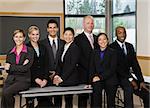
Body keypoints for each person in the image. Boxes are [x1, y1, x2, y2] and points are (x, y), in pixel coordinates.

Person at [109, 26, 150, 108]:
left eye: (124, 32)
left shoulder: (130, 46)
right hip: (117, 76)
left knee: (147, 93)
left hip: (128, 76)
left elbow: (135, 65)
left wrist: (141, 80)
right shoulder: (111, 47)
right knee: (129, 88)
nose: (122, 34)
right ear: (116, 34)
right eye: (119, 33)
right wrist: (130, 79)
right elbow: (117, 67)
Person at [1, 29, 34, 108]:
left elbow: (25, 68)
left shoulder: (29, 51)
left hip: (24, 80)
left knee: (7, 93)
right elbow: (8, 69)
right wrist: (19, 67)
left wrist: (11, 67)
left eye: (20, 37)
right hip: (11, 79)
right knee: (3, 95)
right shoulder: (10, 52)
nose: (18, 39)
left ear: (24, 38)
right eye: (16, 37)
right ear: (13, 38)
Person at [74, 15, 98, 108]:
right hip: (83, 74)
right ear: (83, 24)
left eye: (92, 23)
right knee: (83, 100)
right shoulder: (78, 39)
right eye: (88, 23)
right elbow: (78, 58)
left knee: (95, 99)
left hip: (96, 74)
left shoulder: (97, 38)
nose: (90, 25)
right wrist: (90, 68)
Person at [53, 27, 80, 108]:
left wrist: (62, 79)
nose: (68, 36)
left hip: (71, 78)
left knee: (68, 101)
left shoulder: (75, 48)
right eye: (66, 34)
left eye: (70, 35)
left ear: (73, 36)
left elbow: (72, 66)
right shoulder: (63, 47)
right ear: (63, 35)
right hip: (63, 77)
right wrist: (57, 75)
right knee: (57, 97)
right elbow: (59, 64)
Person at [40, 19, 64, 108]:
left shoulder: (63, 43)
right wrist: (49, 73)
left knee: (58, 102)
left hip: (59, 76)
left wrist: (57, 73)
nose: (52, 29)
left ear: (57, 29)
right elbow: (41, 62)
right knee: (46, 102)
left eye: (54, 27)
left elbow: (63, 61)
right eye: (50, 28)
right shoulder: (41, 43)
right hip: (46, 76)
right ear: (47, 29)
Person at [26, 25, 52, 108]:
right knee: (30, 104)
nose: (35, 36)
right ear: (29, 35)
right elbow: (27, 67)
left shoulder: (43, 47)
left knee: (46, 103)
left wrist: (45, 79)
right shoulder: (26, 48)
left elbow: (46, 64)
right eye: (33, 34)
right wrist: (36, 79)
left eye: (37, 34)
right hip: (31, 80)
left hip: (44, 80)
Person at [90, 33, 118, 108]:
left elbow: (112, 69)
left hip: (110, 78)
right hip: (98, 79)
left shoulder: (113, 52)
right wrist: (90, 80)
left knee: (111, 102)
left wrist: (100, 77)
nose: (102, 41)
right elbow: (91, 68)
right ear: (97, 42)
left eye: (104, 39)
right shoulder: (94, 52)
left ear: (107, 40)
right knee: (96, 99)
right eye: (100, 39)